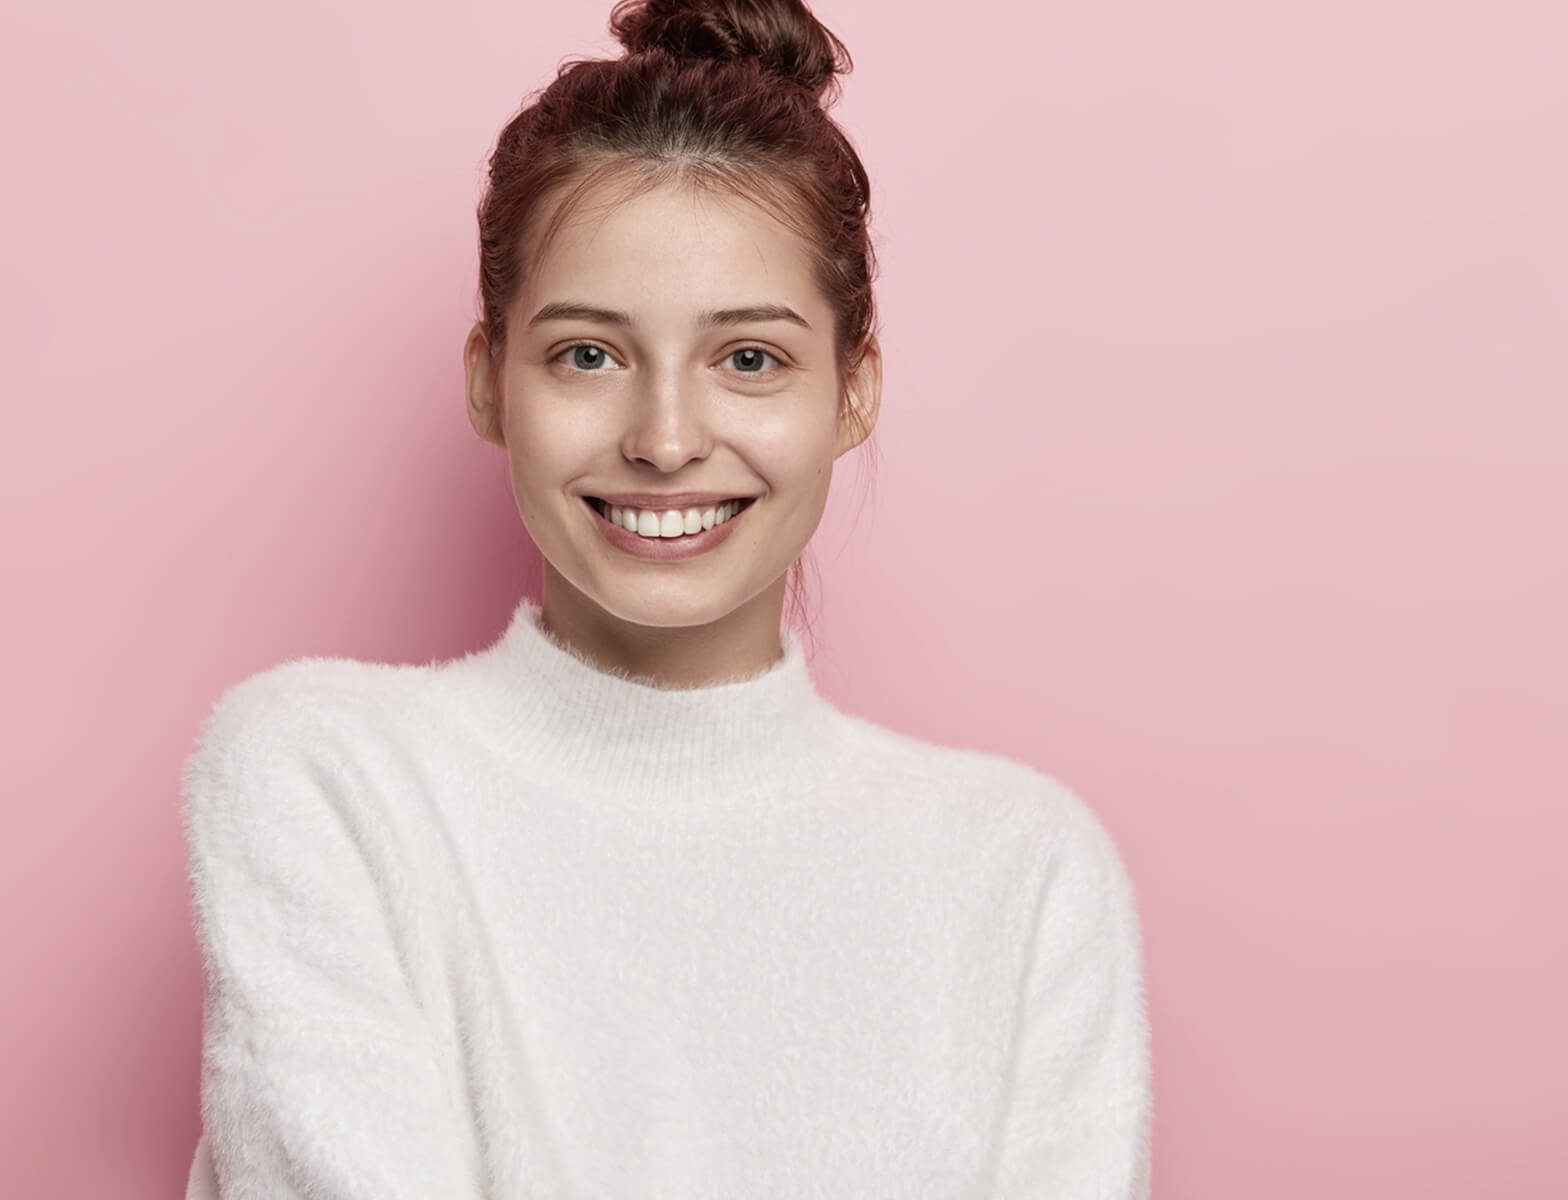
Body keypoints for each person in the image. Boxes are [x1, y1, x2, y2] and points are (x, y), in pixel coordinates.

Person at [182, 0, 1152, 1196]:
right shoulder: (327, 779)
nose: (665, 439)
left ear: (853, 393)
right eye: (588, 354)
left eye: (750, 358)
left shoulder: (1025, 873)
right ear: (491, 382)